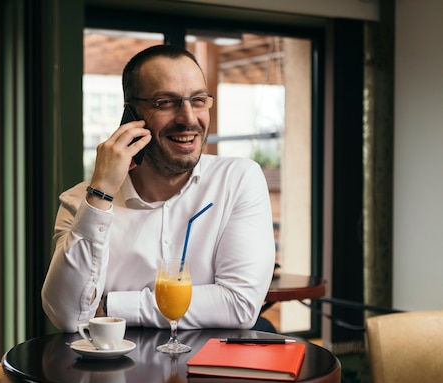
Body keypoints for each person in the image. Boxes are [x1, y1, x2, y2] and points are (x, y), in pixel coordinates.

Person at [42, 44, 275, 333]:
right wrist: (101, 193)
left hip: (209, 373)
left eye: (199, 100)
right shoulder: (82, 202)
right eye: (165, 102)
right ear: (131, 114)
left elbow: (239, 304)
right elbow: (69, 317)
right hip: (113, 375)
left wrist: (111, 306)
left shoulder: (238, 179)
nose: (189, 118)